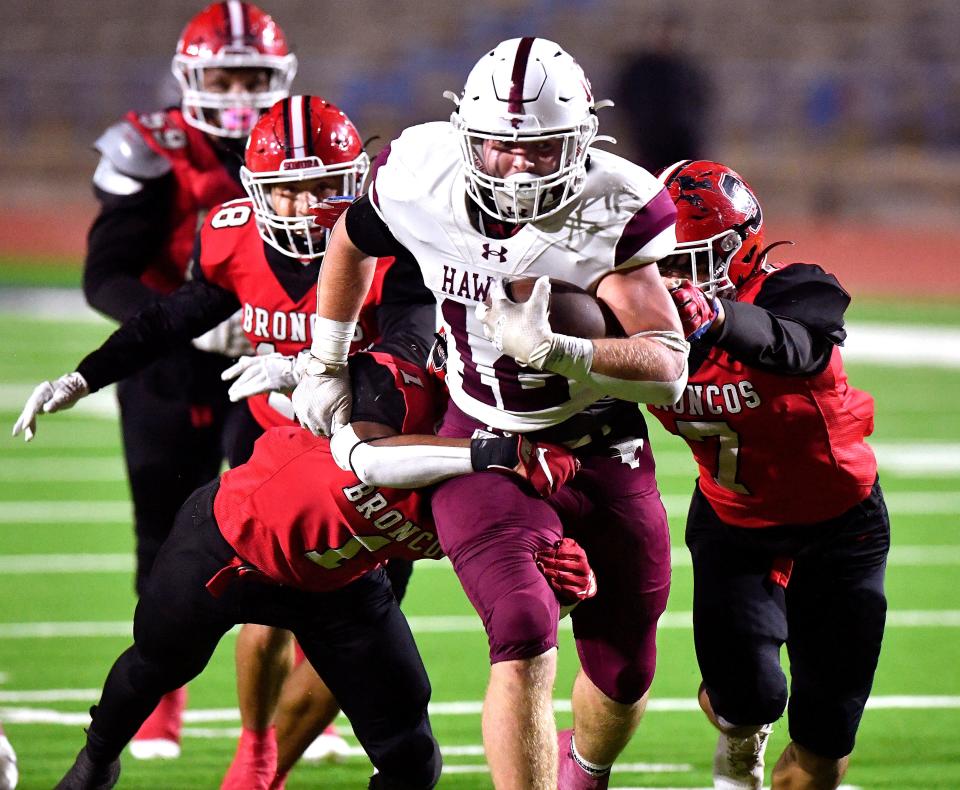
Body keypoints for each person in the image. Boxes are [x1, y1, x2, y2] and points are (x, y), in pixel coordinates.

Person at [292, 37, 689, 790]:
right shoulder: (421, 175)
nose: (517, 166)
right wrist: (325, 355)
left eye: (540, 149)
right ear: (467, 136)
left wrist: (564, 351)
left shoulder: (616, 203)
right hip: (481, 430)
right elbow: (351, 240)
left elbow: (668, 367)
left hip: (601, 443)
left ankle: (587, 771)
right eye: (500, 148)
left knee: (625, 666)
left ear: (580, 142)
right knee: (522, 629)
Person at [15, 92, 430, 784]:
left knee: (397, 715)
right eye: (288, 191)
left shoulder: (398, 248)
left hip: (369, 479)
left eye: (327, 188)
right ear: (255, 191)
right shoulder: (234, 235)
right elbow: (169, 320)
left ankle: (269, 758)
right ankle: (239, 752)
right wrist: (83, 377)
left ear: (357, 181)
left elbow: (410, 358)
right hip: (271, 484)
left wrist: (313, 367)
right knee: (211, 628)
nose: (307, 208)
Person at [17, 350, 591, 790]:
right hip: (233, 541)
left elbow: (523, 616)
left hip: (340, 584)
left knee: (412, 756)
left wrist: (566, 589)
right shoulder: (399, 385)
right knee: (157, 664)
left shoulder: (534, 479)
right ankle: (97, 760)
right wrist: (306, 369)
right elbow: (368, 451)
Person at [81, 0, 296, 759]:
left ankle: (292, 712)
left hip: (277, 366)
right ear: (190, 76)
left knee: (289, 534)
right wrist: (185, 320)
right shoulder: (154, 147)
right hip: (170, 368)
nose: (239, 94)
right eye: (225, 76)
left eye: (254, 77)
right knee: (165, 533)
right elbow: (103, 276)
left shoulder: (302, 145)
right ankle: (160, 700)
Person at [647, 159, 889, 790]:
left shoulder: (796, 288)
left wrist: (716, 318)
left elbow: (801, 347)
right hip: (734, 523)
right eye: (656, 258)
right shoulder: (635, 315)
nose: (666, 275)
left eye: (683, 259)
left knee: (824, 733)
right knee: (743, 697)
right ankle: (740, 733)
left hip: (841, 528)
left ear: (733, 249)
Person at [613, 16, 710, 172]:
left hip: (683, 142)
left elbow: (701, 101)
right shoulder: (638, 70)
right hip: (649, 143)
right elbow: (626, 99)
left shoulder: (688, 69)